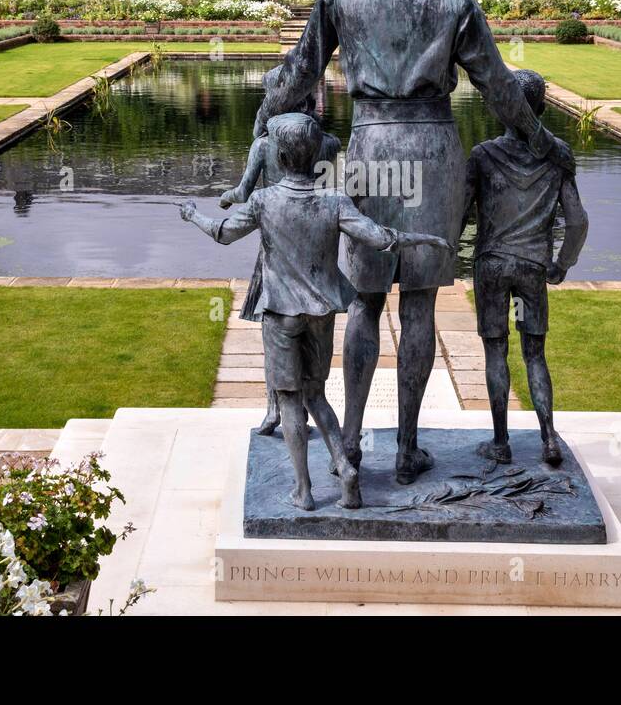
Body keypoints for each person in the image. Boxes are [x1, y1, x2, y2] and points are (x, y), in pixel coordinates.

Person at [253, 0, 571, 484]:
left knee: (365, 303)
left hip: (372, 149)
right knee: (420, 302)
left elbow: (297, 77)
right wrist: (544, 140)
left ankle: (349, 438)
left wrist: (263, 122)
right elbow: (501, 89)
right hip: (433, 151)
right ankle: (405, 447)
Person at [180, 112, 450, 510]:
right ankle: (344, 466)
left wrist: (192, 215)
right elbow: (380, 238)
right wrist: (426, 237)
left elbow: (223, 234)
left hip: (281, 316)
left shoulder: (264, 200)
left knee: (290, 400)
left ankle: (304, 491)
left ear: (282, 155)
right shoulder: (335, 200)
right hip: (321, 315)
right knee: (317, 396)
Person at [462, 69, 587, 467]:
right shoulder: (557, 156)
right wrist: (562, 263)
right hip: (533, 264)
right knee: (535, 354)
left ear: (503, 108)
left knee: (495, 351)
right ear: (542, 108)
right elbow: (579, 221)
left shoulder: (483, 156)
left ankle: (501, 442)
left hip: (493, 263)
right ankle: (548, 437)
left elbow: (461, 215)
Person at [220, 68, 340, 436]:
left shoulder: (263, 144)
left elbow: (241, 194)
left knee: (276, 333)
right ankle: (306, 405)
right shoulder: (329, 143)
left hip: (277, 246)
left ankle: (277, 409)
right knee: (314, 333)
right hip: (316, 248)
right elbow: (329, 191)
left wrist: (226, 199)